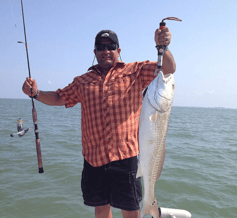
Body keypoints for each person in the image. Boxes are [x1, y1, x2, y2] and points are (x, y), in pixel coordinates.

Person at [22, 27, 175, 218]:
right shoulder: (82, 81)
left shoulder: (136, 71)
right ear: (95, 53)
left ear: (119, 51)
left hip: (125, 157)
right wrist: (35, 93)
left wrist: (163, 47)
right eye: (101, 48)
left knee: (130, 210)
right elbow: (59, 98)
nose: (106, 51)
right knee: (101, 210)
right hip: (93, 159)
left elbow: (168, 70)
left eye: (111, 46)